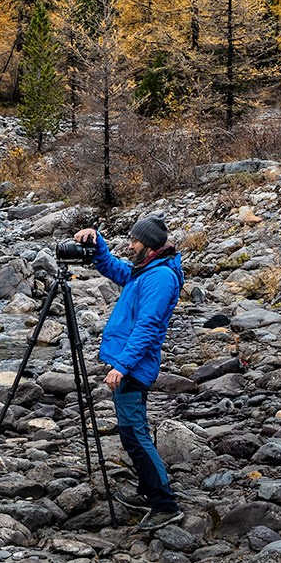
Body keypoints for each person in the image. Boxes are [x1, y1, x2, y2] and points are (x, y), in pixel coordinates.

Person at [73, 214, 184, 528]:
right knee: (133, 431)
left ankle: (165, 504)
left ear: (148, 246)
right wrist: (98, 244)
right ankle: (147, 490)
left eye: (135, 240)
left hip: (134, 365)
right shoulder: (148, 269)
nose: (131, 244)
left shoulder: (160, 278)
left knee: (134, 435)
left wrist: (122, 365)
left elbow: (147, 327)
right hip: (131, 361)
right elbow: (118, 270)